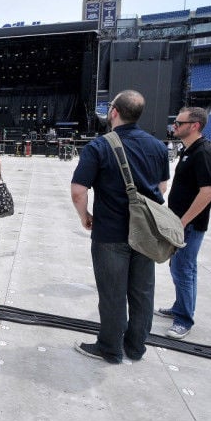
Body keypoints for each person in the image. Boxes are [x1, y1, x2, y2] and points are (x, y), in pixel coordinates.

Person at [71, 90, 170, 363]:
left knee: (113, 294)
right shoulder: (158, 147)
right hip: (147, 233)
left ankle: (110, 349)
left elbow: (78, 190)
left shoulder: (99, 147)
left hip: (111, 233)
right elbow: (161, 187)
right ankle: (136, 347)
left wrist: (85, 216)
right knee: (142, 293)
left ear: (114, 112)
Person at [155, 107, 211, 340]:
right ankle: (179, 307)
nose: (175, 126)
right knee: (178, 267)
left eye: (180, 123)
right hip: (180, 222)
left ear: (194, 126)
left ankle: (184, 320)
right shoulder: (188, 150)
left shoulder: (203, 153)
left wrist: (183, 221)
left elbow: (208, 192)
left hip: (189, 225)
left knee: (184, 269)